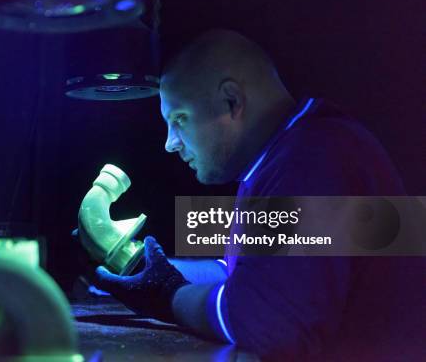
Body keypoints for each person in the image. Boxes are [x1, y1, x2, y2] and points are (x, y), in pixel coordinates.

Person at [92, 30, 424, 360]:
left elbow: (269, 323)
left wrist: (168, 294)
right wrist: (142, 268)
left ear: (231, 101)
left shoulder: (314, 158)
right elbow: (244, 275)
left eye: (180, 119)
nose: (170, 143)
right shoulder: (286, 154)